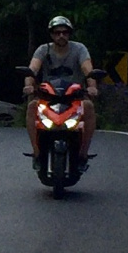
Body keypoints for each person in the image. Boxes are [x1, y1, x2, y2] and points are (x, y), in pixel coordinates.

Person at [23, 15, 98, 172]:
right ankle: (37, 153)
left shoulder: (79, 49)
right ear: (51, 34)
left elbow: (88, 70)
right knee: (32, 107)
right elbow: (32, 69)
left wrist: (92, 87)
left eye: (65, 32)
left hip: (74, 95)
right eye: (57, 33)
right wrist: (29, 85)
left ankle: (83, 154)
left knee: (89, 106)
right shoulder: (43, 50)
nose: (61, 36)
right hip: (48, 96)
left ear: (70, 34)